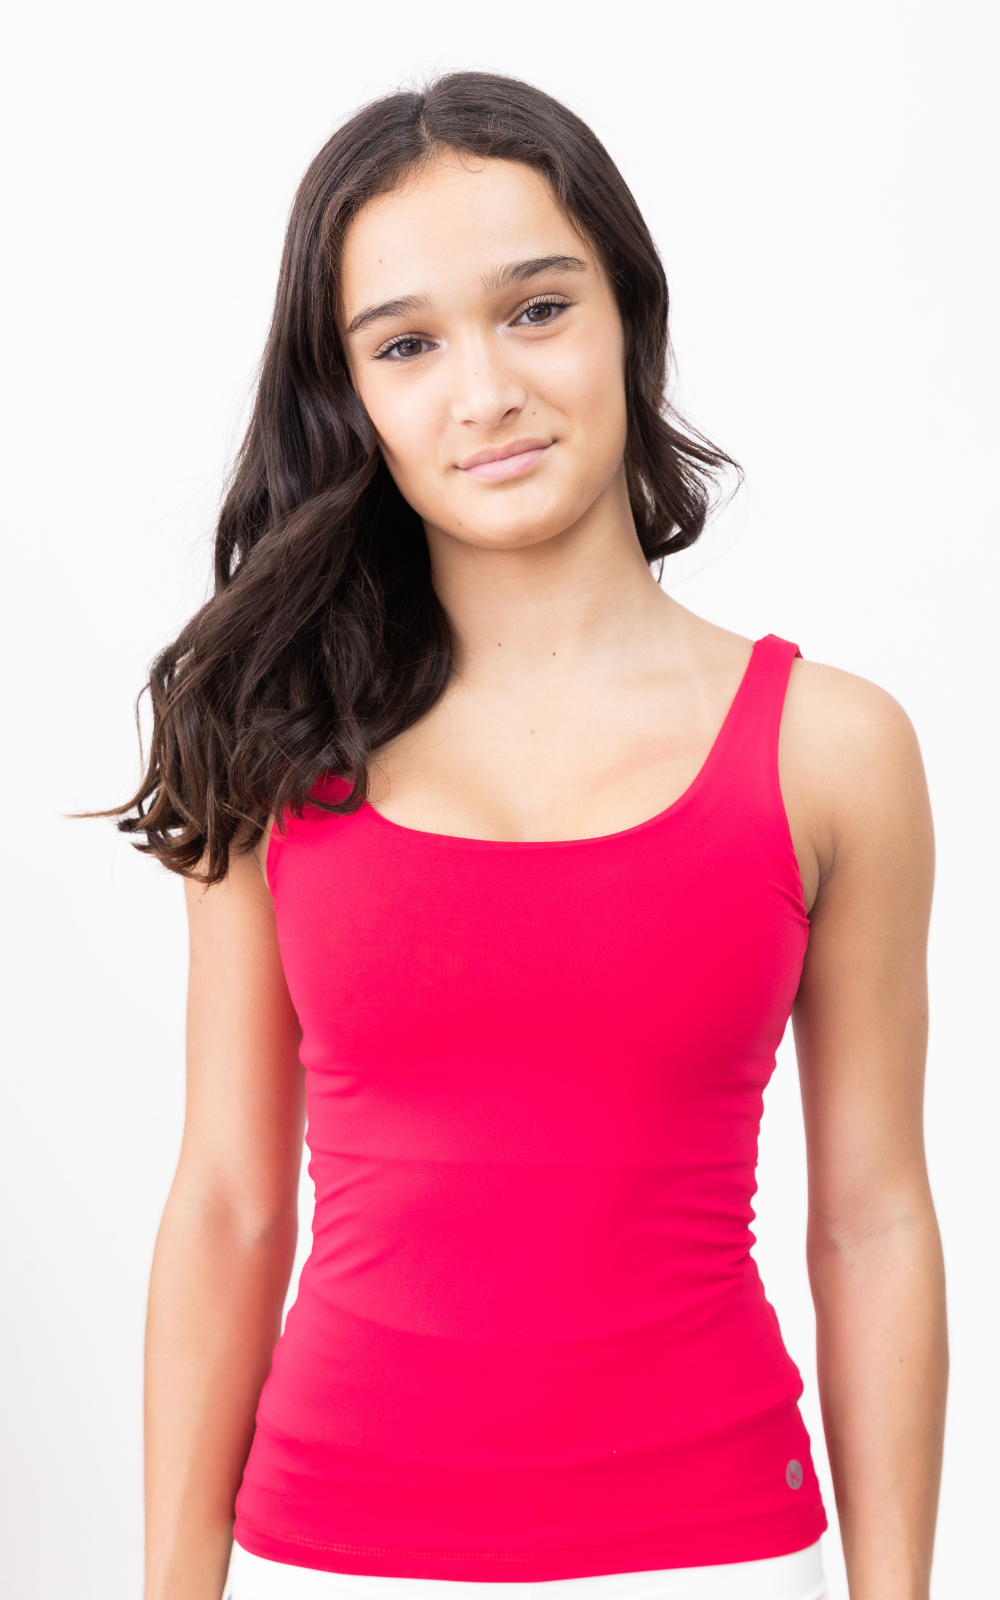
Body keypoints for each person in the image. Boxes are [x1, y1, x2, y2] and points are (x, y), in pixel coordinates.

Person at [111, 72, 947, 1600]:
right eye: (407, 344)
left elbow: (875, 1217)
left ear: (630, 314)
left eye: (538, 310)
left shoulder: (834, 750)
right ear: (350, 395)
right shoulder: (273, 746)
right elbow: (229, 1203)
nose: (483, 390)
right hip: (326, 1560)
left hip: (722, 1557)